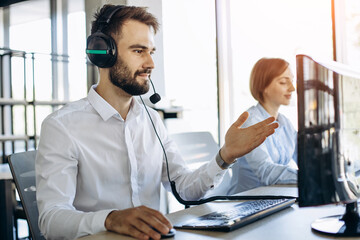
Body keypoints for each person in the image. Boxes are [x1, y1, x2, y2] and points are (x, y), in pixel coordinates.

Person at [35, 5, 278, 240]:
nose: (150, 64)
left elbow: (183, 187)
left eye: (151, 52)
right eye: (139, 51)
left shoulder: (151, 119)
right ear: (103, 52)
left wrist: (225, 156)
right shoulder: (62, 127)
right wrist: (110, 219)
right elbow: (51, 220)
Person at [228, 57, 298, 195]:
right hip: (244, 202)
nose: (292, 88)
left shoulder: (285, 124)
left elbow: (305, 158)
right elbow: (265, 171)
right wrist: (308, 178)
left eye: (292, 81)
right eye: (283, 82)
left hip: (273, 198)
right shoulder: (250, 122)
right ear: (263, 86)